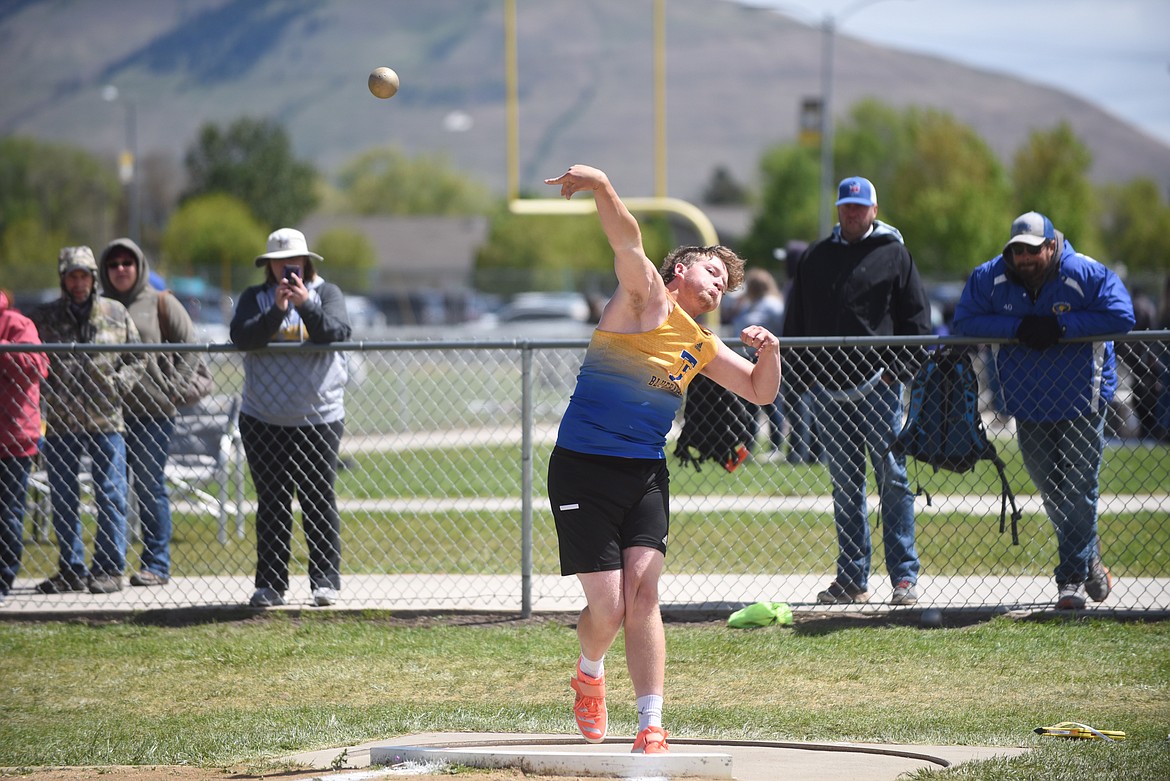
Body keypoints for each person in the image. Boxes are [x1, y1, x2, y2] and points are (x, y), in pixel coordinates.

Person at [543, 165, 780, 755]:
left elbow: (760, 391)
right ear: (680, 270)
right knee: (609, 606)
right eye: (711, 271)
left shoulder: (699, 344)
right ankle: (589, 672)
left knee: (644, 595)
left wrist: (771, 353)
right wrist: (601, 186)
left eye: (726, 282)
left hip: (644, 474)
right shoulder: (642, 296)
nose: (719, 285)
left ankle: (651, 723)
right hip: (582, 467)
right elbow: (626, 240)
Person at [952, 212, 1135, 610]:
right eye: (1017, 251)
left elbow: (1122, 315)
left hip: (1081, 400)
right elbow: (964, 321)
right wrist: (1017, 327)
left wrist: (1061, 326)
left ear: (1052, 245)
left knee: (1080, 488)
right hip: (1026, 402)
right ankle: (1090, 557)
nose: (1025, 258)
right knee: (1051, 489)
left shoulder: (1085, 271)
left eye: (1033, 250)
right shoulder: (990, 277)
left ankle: (1069, 580)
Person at [781, 176, 931, 606]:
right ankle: (852, 579)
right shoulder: (815, 257)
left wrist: (896, 372)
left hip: (878, 389)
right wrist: (803, 378)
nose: (851, 212)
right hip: (827, 393)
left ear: (874, 210)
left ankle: (904, 578)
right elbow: (797, 323)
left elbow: (917, 324)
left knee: (894, 480)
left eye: (859, 206)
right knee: (845, 485)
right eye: (846, 206)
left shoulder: (894, 255)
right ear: (838, 209)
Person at [230, 228, 351, 608]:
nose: (287, 269)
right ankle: (270, 584)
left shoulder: (327, 294)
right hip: (262, 417)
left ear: (307, 262)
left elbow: (337, 332)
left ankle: (325, 582)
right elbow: (242, 337)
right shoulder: (256, 298)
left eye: (293, 262)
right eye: (279, 263)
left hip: (319, 417)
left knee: (317, 498)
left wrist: (305, 305)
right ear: (269, 266)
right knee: (273, 501)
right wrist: (278, 311)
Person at [30, 246, 145, 595]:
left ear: (94, 278)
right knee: (63, 495)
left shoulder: (115, 312)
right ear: (63, 279)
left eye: (84, 275)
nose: (78, 283)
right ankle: (72, 568)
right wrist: (48, 393)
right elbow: (34, 362)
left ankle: (109, 568)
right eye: (72, 276)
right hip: (62, 422)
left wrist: (116, 385)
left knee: (110, 493)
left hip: (106, 420)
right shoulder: (45, 317)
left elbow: (137, 358)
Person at [99, 237, 200, 586]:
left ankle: (156, 564)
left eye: (128, 262)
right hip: (107, 415)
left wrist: (173, 389)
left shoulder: (160, 302)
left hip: (153, 413)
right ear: (105, 270)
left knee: (148, 486)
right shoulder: (100, 306)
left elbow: (191, 346)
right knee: (109, 489)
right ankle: (109, 566)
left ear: (139, 266)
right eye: (114, 264)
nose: (121, 269)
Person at [0, 289, 49, 606]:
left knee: (8, 513)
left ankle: (3, 580)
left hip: (14, 437)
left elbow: (37, 365)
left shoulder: (16, 323)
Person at [730, 269, 787, 459]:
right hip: (748, 358)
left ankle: (777, 446)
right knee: (750, 407)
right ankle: (749, 446)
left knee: (772, 404)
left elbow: (781, 329)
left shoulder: (772, 305)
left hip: (765, 359)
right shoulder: (750, 304)